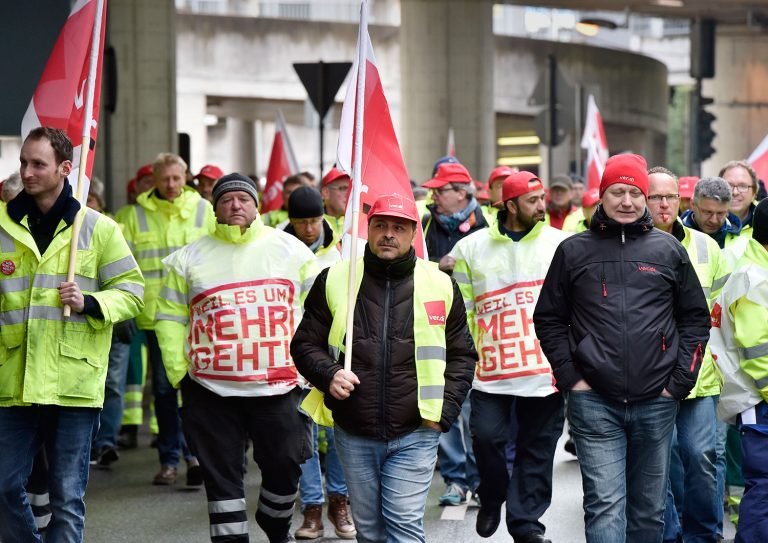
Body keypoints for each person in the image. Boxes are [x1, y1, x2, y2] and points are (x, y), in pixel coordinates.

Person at [533, 153, 711, 543]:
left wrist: (677, 383)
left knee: (649, 511)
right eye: (618, 192)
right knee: (604, 505)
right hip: (593, 401)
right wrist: (572, 378)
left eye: (635, 192)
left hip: (657, 400)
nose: (627, 201)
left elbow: (696, 320)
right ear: (602, 196)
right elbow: (548, 319)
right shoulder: (573, 251)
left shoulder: (668, 250)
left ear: (645, 198)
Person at [292, 193, 477, 543]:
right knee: (372, 532)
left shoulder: (440, 282)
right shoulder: (334, 279)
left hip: (417, 430)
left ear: (413, 234)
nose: (388, 234)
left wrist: (444, 412)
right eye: (380, 226)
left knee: (404, 526)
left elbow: (462, 355)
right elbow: (304, 344)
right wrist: (329, 373)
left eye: (398, 227)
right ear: (369, 229)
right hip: (354, 429)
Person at [154, 173, 316, 543]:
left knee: (286, 463)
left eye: (244, 198)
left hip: (278, 386)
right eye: (227, 200)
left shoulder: (290, 250)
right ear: (215, 209)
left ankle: (276, 521)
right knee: (221, 476)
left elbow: (318, 311)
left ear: (256, 205)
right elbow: (169, 318)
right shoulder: (188, 258)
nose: (236, 205)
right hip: (210, 391)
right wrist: (182, 375)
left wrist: (310, 368)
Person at [0, 127, 144, 542]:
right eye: (24, 162)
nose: (27, 172)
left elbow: (133, 295)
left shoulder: (100, 229)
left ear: (65, 169)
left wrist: (91, 302)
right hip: (13, 380)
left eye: (38, 164)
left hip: (72, 383)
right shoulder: (4, 226)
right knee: (6, 487)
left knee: (66, 500)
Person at [452, 171, 569, 543]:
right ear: (511, 205)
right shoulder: (471, 249)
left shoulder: (560, 244)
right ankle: (491, 497)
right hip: (491, 372)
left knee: (537, 451)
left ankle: (526, 526)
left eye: (542, 198)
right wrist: (468, 357)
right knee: (486, 439)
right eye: (533, 200)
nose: (542, 206)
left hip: (545, 372)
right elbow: (463, 310)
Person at [121, 152, 216, 486]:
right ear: (155, 179)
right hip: (154, 317)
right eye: (165, 179)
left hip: (199, 316)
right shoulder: (132, 216)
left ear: (186, 177)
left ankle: (195, 456)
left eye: (177, 178)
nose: (172, 185)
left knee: (196, 388)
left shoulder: (206, 210)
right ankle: (169, 460)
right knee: (163, 388)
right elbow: (122, 268)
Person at [647, 166, 729, 543]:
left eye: (669, 197)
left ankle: (704, 535)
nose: (664, 205)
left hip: (699, 376)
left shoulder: (706, 247)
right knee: (659, 465)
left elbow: (723, 311)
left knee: (700, 458)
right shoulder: (626, 245)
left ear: (680, 201)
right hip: (649, 377)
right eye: (655, 197)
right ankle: (670, 535)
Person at [281, 185, 354, 540]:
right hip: (287, 351)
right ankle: (312, 508)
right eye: (301, 221)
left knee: (337, 429)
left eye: (314, 220)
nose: (309, 228)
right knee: (302, 435)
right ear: (290, 220)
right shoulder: (276, 248)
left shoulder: (342, 248)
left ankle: (339, 501)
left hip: (333, 351)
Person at [421, 161, 486, 505]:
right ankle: (455, 479)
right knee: (445, 405)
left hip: (479, 334)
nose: (434, 196)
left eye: (440, 190)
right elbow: (412, 266)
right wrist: (437, 265)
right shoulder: (426, 223)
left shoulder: (487, 225)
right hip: (435, 329)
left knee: (478, 412)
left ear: (461, 193)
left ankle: (480, 479)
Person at [708, 198, 768, 543]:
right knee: (764, 486)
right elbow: (759, 353)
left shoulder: (755, 271)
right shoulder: (754, 279)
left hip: (756, 399)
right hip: (758, 401)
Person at [681, 176, 750, 267]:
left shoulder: (742, 245)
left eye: (720, 213)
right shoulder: (675, 237)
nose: (714, 220)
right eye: (707, 212)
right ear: (693, 204)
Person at [719, 160, 758, 237]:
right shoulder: (703, 223)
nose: (735, 192)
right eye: (728, 186)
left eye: (743, 186)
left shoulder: (765, 222)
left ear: (754, 193)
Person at [320, 167, 349, 239]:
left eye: (351, 188)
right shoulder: (315, 224)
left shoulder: (356, 224)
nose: (349, 194)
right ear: (326, 193)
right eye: (343, 188)